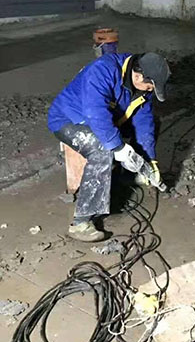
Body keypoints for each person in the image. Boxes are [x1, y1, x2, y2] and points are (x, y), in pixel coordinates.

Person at [48, 52, 171, 242]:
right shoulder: (103, 70)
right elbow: (95, 112)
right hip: (70, 119)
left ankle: (129, 176)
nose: (150, 91)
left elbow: (144, 121)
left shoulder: (142, 87)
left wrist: (150, 160)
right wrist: (117, 146)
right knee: (102, 148)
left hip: (109, 118)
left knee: (151, 124)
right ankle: (81, 222)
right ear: (138, 76)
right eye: (150, 86)